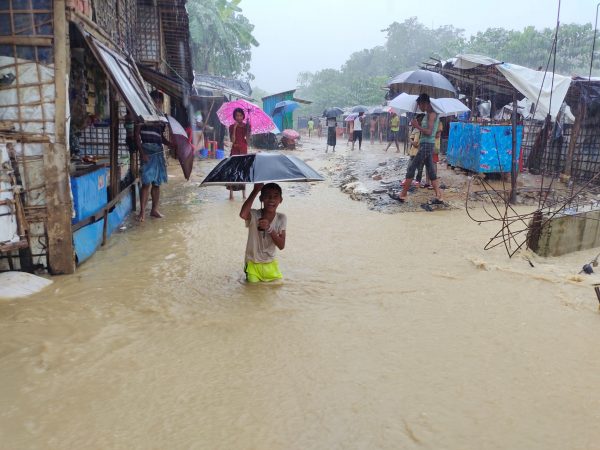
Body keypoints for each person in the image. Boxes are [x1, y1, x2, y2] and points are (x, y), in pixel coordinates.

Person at [393, 93, 443, 203]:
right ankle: (439, 196)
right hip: (426, 144)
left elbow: (429, 132)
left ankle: (403, 195)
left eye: (419, 105)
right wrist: (417, 124)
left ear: (424, 103)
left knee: (411, 168)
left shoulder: (432, 114)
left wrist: (417, 126)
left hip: (427, 144)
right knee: (431, 171)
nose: (419, 107)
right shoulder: (428, 114)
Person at [239, 183, 286, 283]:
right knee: (253, 291)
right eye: (267, 196)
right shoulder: (254, 215)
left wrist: (269, 228)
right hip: (252, 263)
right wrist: (255, 190)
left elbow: (281, 245)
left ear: (281, 200)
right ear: (261, 199)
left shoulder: (281, 218)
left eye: (275, 196)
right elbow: (243, 214)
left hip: (270, 262)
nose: (271, 199)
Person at [135, 90, 171, 222]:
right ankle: (142, 212)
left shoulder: (161, 118)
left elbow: (160, 137)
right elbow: (137, 135)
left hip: (158, 151)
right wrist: (142, 153)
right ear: (150, 101)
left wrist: (170, 144)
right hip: (147, 150)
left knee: (157, 183)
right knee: (146, 182)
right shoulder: (142, 115)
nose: (157, 104)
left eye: (159, 102)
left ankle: (154, 210)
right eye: (155, 101)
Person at [228, 107, 250, 200]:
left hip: (243, 149)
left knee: (243, 171)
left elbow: (248, 140)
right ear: (234, 116)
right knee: (233, 171)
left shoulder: (246, 126)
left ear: (243, 116)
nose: (239, 117)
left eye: (240, 115)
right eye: (237, 115)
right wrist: (235, 128)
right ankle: (231, 195)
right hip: (235, 149)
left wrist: (248, 129)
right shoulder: (231, 126)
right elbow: (232, 141)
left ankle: (244, 195)